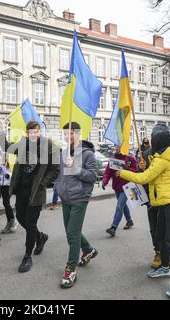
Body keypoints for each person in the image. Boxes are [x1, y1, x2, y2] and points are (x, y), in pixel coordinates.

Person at [117, 124, 170, 298]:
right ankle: (165, 267)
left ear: (157, 142)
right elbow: (151, 176)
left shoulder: (163, 158)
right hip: (165, 202)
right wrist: (145, 165)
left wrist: (124, 173)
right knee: (162, 236)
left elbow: (145, 178)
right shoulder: (164, 156)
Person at [0, 120, 60, 273]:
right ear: (27, 132)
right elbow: (7, 147)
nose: (33, 134)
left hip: (36, 192)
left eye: (36, 131)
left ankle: (27, 256)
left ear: (39, 132)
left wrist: (43, 183)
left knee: (30, 223)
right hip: (22, 190)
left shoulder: (49, 146)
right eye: (30, 132)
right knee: (20, 218)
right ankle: (40, 236)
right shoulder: (23, 144)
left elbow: (55, 169)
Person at [54, 122, 98, 289]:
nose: (67, 137)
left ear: (78, 134)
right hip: (66, 197)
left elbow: (93, 176)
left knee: (72, 234)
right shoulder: (63, 152)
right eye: (65, 134)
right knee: (71, 230)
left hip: (80, 198)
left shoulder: (87, 154)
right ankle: (88, 250)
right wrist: (58, 185)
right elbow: (60, 174)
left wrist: (76, 168)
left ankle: (70, 269)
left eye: (71, 134)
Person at [102, 145, 138, 237]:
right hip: (117, 187)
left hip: (127, 186)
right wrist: (105, 181)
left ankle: (113, 227)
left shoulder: (131, 159)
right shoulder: (113, 159)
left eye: (119, 147)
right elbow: (108, 172)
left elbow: (135, 171)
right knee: (123, 205)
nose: (117, 149)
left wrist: (126, 168)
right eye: (116, 147)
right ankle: (129, 221)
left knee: (119, 206)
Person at [0, 152, 18, 234]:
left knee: (6, 203)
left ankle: (12, 221)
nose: (0, 159)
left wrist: (7, 174)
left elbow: (13, 174)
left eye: (2, 158)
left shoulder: (10, 164)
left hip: (8, 186)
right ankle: (9, 221)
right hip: (2, 186)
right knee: (5, 203)